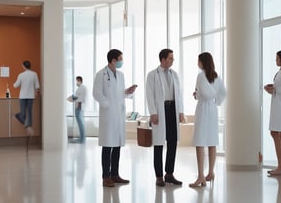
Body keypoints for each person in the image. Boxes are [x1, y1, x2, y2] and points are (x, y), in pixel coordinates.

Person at [93, 49, 137, 187]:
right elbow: (97, 93)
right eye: (120, 59)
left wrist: (128, 92)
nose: (121, 62)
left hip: (119, 114)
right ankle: (106, 176)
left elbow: (120, 93)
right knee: (107, 146)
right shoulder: (101, 74)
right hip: (108, 114)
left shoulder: (121, 75)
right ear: (113, 60)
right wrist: (108, 104)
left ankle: (115, 174)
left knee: (117, 144)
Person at [146, 48, 185, 187]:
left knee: (172, 142)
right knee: (158, 144)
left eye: (173, 58)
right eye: (170, 58)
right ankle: (159, 176)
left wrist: (180, 111)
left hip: (172, 110)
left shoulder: (174, 74)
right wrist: (153, 112)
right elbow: (149, 95)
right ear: (163, 59)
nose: (173, 60)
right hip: (160, 111)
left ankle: (169, 173)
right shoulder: (152, 75)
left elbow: (179, 94)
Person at [189, 52, 226, 187]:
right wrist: (216, 100)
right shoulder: (216, 76)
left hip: (203, 110)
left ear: (203, 62)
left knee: (200, 142)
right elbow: (223, 93)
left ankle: (200, 176)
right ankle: (210, 172)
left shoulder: (200, 76)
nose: (197, 63)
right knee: (211, 142)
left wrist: (197, 95)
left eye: (198, 60)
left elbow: (204, 93)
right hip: (213, 110)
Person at [13, 60, 40, 136]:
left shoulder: (21, 75)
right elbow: (37, 85)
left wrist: (13, 84)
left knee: (23, 113)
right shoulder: (34, 74)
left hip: (23, 96)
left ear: (24, 66)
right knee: (29, 112)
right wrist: (37, 92)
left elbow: (16, 85)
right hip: (31, 96)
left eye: (22, 65)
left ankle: (19, 118)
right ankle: (29, 127)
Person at [67, 76, 87, 143]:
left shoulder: (82, 88)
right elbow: (77, 96)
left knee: (81, 123)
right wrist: (72, 97)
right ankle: (82, 138)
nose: (76, 82)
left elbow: (79, 97)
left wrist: (72, 98)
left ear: (79, 80)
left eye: (77, 81)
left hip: (79, 107)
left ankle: (82, 139)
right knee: (81, 123)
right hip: (79, 107)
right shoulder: (81, 88)